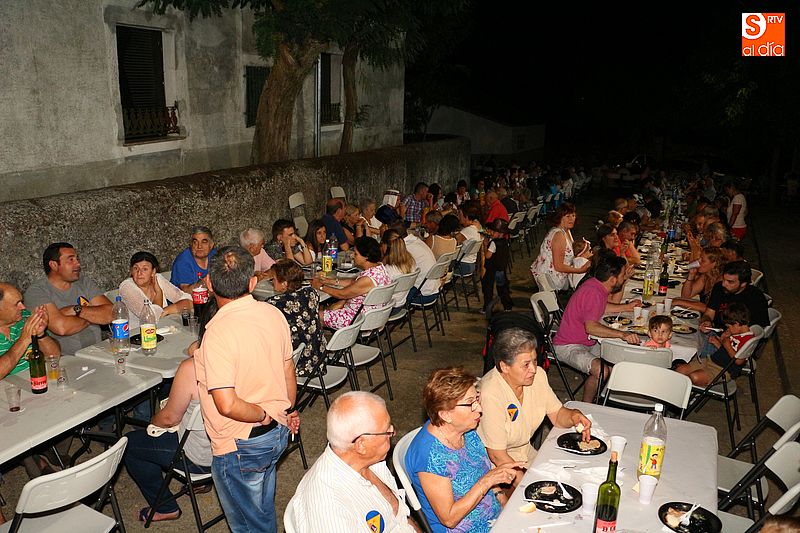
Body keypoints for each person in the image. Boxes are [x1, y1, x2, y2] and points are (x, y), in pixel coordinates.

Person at [193, 246, 300, 533]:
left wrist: (263, 415)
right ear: (253, 282)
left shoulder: (217, 332)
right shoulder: (273, 313)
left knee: (249, 524)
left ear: (209, 283)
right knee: (262, 505)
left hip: (241, 441)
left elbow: (226, 404)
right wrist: (285, 411)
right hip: (276, 431)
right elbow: (288, 369)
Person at [405, 367, 524, 533]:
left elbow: (480, 470)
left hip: (492, 514)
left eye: (477, 399)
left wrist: (500, 495)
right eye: (470, 404)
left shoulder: (465, 430)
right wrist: (488, 481)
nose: (479, 409)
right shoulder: (429, 456)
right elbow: (449, 518)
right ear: (445, 415)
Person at [288, 392, 418, 532]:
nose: (393, 433)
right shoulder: (330, 507)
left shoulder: (370, 462)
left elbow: (401, 518)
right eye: (387, 431)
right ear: (361, 444)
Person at [477, 329, 591, 484]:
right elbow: (497, 455)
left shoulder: (538, 377)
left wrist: (573, 416)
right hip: (496, 466)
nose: (533, 369)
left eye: (535, 361)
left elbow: (557, 415)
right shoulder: (490, 393)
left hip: (525, 454)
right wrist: (526, 485)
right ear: (504, 367)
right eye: (526, 364)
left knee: (573, 477)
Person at [124, 357, 212, 523]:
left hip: (200, 459)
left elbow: (168, 419)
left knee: (130, 444)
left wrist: (154, 420)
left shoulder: (193, 368)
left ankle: (165, 508)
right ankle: (201, 484)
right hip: (235, 452)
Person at [552, 254, 641, 403]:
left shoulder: (596, 286)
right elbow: (591, 328)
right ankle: (588, 405)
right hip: (568, 345)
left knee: (620, 357)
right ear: (612, 279)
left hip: (587, 342)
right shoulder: (593, 292)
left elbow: (599, 307)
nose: (624, 277)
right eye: (622, 275)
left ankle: (606, 398)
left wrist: (626, 307)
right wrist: (622, 334)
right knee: (602, 370)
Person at [24, 242, 113, 355]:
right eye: (71, 260)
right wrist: (95, 315)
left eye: (77, 259)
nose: (78, 264)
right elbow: (61, 327)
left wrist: (76, 310)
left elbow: (112, 313)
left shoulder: (84, 282)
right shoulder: (37, 291)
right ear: (54, 265)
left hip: (98, 352)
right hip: (66, 360)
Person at [312, 237, 392, 329]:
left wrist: (320, 286)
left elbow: (341, 294)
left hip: (358, 319)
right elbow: (355, 282)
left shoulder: (367, 279)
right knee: (326, 310)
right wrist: (330, 281)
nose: (352, 256)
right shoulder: (379, 268)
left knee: (313, 316)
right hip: (372, 315)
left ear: (366, 257)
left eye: (356, 254)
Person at [697, 260, 768, 359]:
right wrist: (706, 321)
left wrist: (725, 339)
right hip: (714, 332)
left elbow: (756, 331)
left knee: (694, 350)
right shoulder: (719, 288)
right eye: (724, 279)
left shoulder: (756, 298)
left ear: (743, 284)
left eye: (730, 282)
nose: (724, 284)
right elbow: (709, 313)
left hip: (732, 345)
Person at [266, 260, 325, 377]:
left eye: (273, 279)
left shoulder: (274, 304)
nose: (272, 282)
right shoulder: (311, 292)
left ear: (284, 283)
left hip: (297, 362)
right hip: (318, 356)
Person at [677, 303, 755, 386]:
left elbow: (739, 361)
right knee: (680, 370)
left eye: (728, 327)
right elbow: (728, 349)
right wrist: (720, 341)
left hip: (723, 369)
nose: (728, 329)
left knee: (694, 377)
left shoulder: (748, 340)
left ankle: (689, 394)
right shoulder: (737, 331)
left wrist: (726, 343)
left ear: (736, 324)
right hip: (711, 360)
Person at [119, 252, 192, 330]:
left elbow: (188, 300)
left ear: (153, 272)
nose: (139, 273)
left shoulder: (158, 279)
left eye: (145, 269)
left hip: (163, 329)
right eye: (136, 268)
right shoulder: (126, 287)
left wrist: (165, 311)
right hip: (137, 335)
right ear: (131, 271)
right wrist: (159, 293)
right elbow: (151, 318)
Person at [0, 283, 59, 379]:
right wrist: (25, 339)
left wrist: (41, 335)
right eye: (16, 304)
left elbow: (54, 357)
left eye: (21, 302)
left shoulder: (25, 318)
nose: (23, 307)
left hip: (39, 381)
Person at [530, 203, 591, 291]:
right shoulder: (559, 235)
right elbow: (558, 266)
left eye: (573, 215)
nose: (572, 219)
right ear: (560, 217)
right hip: (550, 279)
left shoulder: (566, 230)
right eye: (567, 216)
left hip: (557, 275)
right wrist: (580, 270)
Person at [393, 222, 440, 305]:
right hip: (434, 289)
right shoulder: (416, 241)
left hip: (423, 294)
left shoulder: (405, 248)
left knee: (392, 294)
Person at [170, 226, 217, 291]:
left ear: (211, 245)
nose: (199, 246)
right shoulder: (183, 262)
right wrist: (207, 281)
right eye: (195, 242)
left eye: (204, 242)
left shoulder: (215, 255)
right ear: (191, 245)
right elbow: (186, 291)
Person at [481, 219, 513, 313]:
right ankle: (508, 306)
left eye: (493, 231)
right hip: (501, 268)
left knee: (488, 289)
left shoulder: (493, 243)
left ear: (500, 233)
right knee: (502, 288)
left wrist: (485, 246)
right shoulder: (505, 241)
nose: (491, 233)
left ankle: (487, 308)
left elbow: (488, 256)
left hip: (492, 269)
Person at [381, 230, 417, 309]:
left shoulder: (388, 270)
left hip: (388, 309)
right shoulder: (411, 262)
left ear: (385, 246)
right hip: (401, 304)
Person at [454, 205, 483, 275]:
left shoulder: (468, 230)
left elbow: (452, 242)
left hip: (462, 266)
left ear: (466, 217)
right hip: (471, 264)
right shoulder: (476, 227)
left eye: (460, 215)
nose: (458, 217)